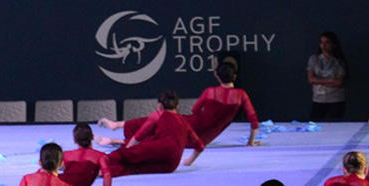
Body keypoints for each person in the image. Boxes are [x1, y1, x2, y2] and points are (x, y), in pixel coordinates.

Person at [101, 63, 258, 159]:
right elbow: (254, 122)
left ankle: (118, 126)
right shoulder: (241, 95)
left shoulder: (211, 91)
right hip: (203, 137)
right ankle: (117, 141)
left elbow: (195, 110)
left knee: (158, 122)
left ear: (217, 77)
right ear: (235, 77)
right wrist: (250, 142)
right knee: (164, 136)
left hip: (192, 123)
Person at [97, 90, 204, 175]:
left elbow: (138, 137)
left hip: (160, 150)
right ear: (177, 107)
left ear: (160, 106)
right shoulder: (184, 122)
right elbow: (200, 146)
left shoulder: (157, 115)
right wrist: (189, 161)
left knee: (126, 158)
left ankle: (97, 164)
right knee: (134, 169)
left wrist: (125, 152)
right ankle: (104, 171)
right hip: (171, 165)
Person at [306, 31, 347, 121]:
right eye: (321, 42)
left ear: (333, 44)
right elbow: (311, 79)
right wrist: (331, 80)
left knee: (335, 128)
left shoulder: (339, 61)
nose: (323, 46)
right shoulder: (314, 59)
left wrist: (319, 80)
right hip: (318, 100)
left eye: (327, 42)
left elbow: (339, 82)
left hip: (336, 100)